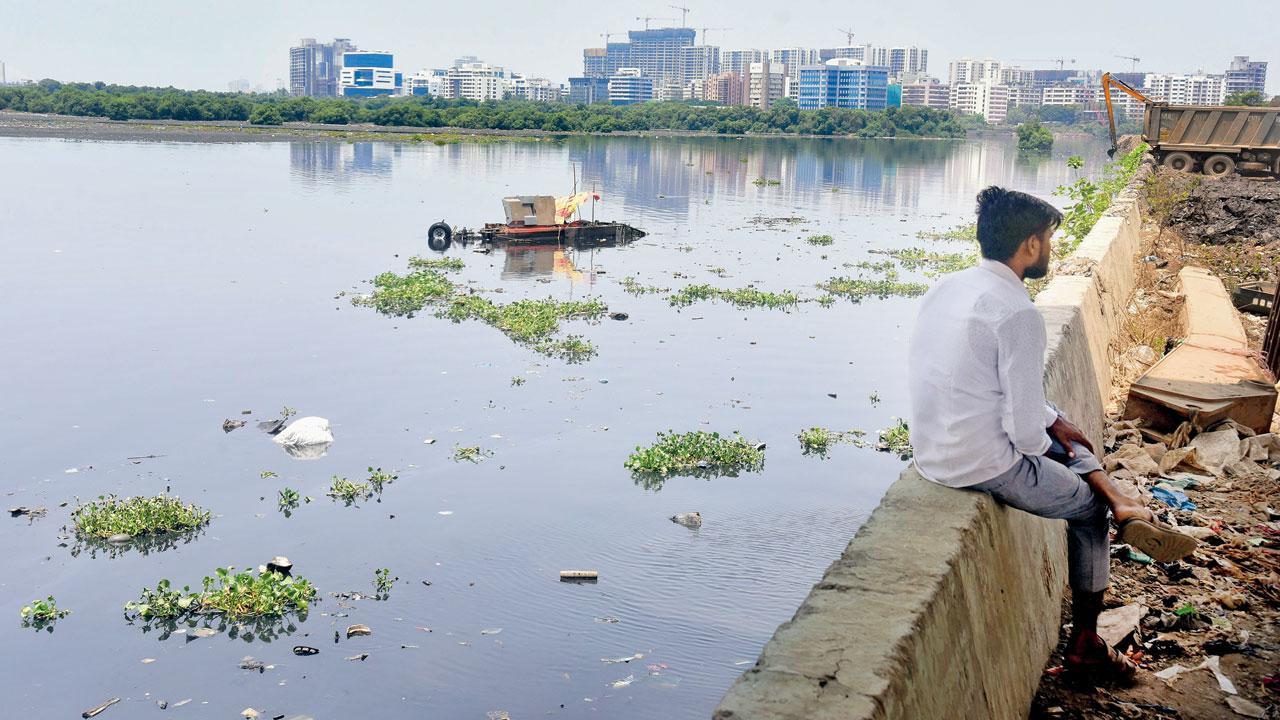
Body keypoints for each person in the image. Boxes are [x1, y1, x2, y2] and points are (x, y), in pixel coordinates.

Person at [906, 186, 1196, 682]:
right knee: (1089, 509)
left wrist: (1053, 421)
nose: (1051, 249)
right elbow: (1022, 434)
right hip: (983, 464)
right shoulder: (1018, 312)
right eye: (1049, 239)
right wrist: (1058, 447)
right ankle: (1086, 643)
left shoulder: (949, 286)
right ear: (1032, 245)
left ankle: (1118, 494)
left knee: (1059, 426)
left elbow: (990, 385)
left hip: (934, 451)